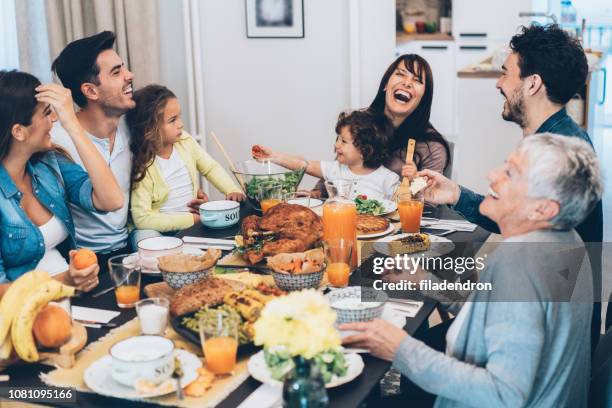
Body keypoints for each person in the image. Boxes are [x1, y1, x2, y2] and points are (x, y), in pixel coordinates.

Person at [343, 133, 602, 407]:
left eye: (511, 174)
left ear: (543, 208)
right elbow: (498, 311)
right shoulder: (567, 239)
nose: (492, 174)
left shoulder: (521, 265)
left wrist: (399, 349)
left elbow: (504, 394)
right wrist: (422, 279)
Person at [418, 23, 606, 342]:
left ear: (532, 84)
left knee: (410, 338)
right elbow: (518, 215)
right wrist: (454, 193)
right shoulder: (556, 139)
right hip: (545, 320)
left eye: (506, 73)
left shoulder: (554, 157)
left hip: (545, 334)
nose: (499, 84)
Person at [0, 70, 124, 292]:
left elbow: (111, 200)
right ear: (19, 132)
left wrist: (73, 125)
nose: (55, 119)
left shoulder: (49, 164)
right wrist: (65, 280)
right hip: (24, 315)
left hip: (72, 296)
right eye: (47, 113)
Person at [50, 31, 134, 267]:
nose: (130, 76)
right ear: (90, 91)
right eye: (117, 72)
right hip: (84, 261)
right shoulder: (55, 139)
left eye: (123, 68)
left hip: (132, 247)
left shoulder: (133, 124)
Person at [311, 54, 451, 196]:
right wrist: (316, 193)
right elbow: (339, 168)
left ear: (423, 97)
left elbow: (428, 201)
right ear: (385, 85)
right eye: (400, 74)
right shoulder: (362, 123)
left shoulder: (433, 148)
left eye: (417, 80)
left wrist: (414, 181)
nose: (407, 83)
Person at [126, 85, 244, 248]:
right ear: (149, 129)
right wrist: (193, 219)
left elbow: (210, 167)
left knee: (229, 234)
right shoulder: (142, 164)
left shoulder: (185, 142)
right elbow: (142, 219)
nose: (181, 124)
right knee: (145, 239)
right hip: (156, 228)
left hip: (190, 221)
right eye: (172, 120)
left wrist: (231, 189)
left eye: (179, 117)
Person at [253, 110, 399, 200]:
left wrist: (416, 184)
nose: (336, 145)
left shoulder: (387, 179)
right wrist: (273, 156)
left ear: (365, 150)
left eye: (343, 141)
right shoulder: (336, 169)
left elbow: (404, 204)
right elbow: (304, 164)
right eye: (337, 139)